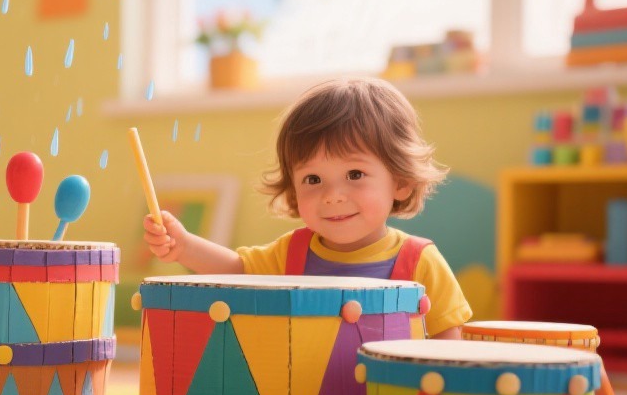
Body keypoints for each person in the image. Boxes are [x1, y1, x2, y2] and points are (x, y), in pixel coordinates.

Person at [142, 77, 471, 338]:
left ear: (400, 181)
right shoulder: (292, 253)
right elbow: (237, 271)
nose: (332, 195)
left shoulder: (419, 261)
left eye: (354, 174)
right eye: (313, 179)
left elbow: (448, 341)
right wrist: (184, 246)